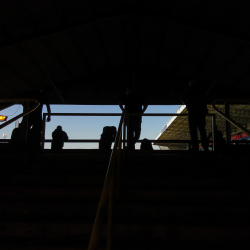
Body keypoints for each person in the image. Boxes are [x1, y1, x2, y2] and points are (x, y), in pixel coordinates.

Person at [181, 79, 209, 152]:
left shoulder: (189, 90)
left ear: (191, 83)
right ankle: (205, 147)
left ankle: (195, 148)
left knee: (193, 131)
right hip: (201, 112)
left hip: (193, 112)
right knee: (202, 130)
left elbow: (183, 98)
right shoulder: (202, 90)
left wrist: (187, 104)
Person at [118, 86, 148, 150]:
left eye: (127, 90)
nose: (126, 92)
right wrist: (142, 112)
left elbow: (120, 103)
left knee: (130, 135)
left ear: (130, 90)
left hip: (129, 119)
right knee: (137, 135)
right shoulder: (138, 96)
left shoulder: (127, 97)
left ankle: (130, 147)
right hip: (137, 118)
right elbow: (146, 104)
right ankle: (131, 147)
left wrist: (123, 110)